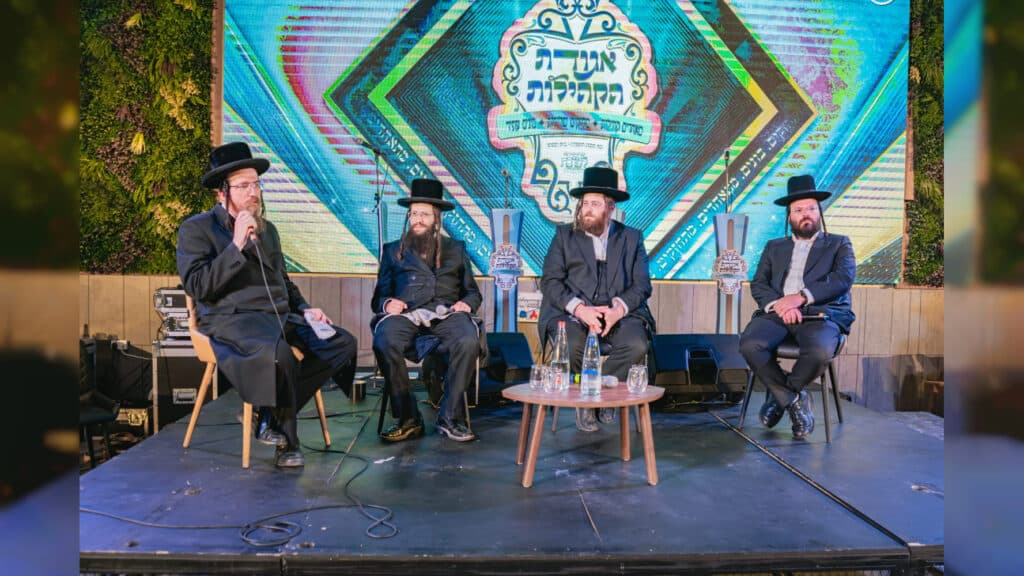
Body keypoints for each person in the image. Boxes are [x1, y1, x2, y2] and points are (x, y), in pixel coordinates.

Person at [176, 142, 358, 468]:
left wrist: (305, 308)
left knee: (341, 343)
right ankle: (288, 443)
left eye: (256, 184)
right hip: (232, 319)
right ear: (222, 192)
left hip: (277, 316)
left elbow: (282, 281)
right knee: (280, 355)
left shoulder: (268, 230)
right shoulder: (197, 229)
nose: (254, 192)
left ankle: (269, 413)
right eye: (244, 185)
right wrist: (235, 245)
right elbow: (198, 286)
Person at [538, 166, 655, 432]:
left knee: (637, 344)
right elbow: (550, 281)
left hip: (618, 313)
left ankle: (602, 397)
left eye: (594, 204)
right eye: (584, 203)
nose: (586, 210)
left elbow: (642, 285)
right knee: (572, 345)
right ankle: (585, 402)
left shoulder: (631, 238)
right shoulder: (564, 235)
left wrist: (617, 310)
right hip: (573, 313)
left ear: (610, 208)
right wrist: (580, 310)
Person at [739, 174, 856, 439]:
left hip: (820, 315)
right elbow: (759, 283)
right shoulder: (774, 247)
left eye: (811, 208)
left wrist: (800, 298)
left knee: (820, 351)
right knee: (749, 344)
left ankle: (780, 396)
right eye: (799, 210)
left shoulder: (839, 243)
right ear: (789, 216)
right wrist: (780, 306)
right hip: (778, 313)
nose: (806, 215)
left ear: (819, 212)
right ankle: (794, 399)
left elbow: (842, 279)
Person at [370, 178, 483, 443]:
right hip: (407, 315)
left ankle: (449, 417)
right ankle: (409, 418)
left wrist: (466, 304)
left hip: (446, 314)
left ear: (437, 218)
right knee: (384, 339)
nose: (418, 220)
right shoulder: (392, 251)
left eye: (424, 214)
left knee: (468, 339)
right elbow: (378, 298)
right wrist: (388, 304)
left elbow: (472, 292)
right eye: (414, 214)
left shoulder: (456, 249)